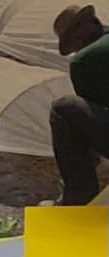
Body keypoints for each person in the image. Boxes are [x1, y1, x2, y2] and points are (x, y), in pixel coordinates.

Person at [47, 6, 109, 206]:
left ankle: (77, 199)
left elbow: (85, 128)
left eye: (70, 42)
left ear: (77, 35)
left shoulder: (84, 61)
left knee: (64, 109)